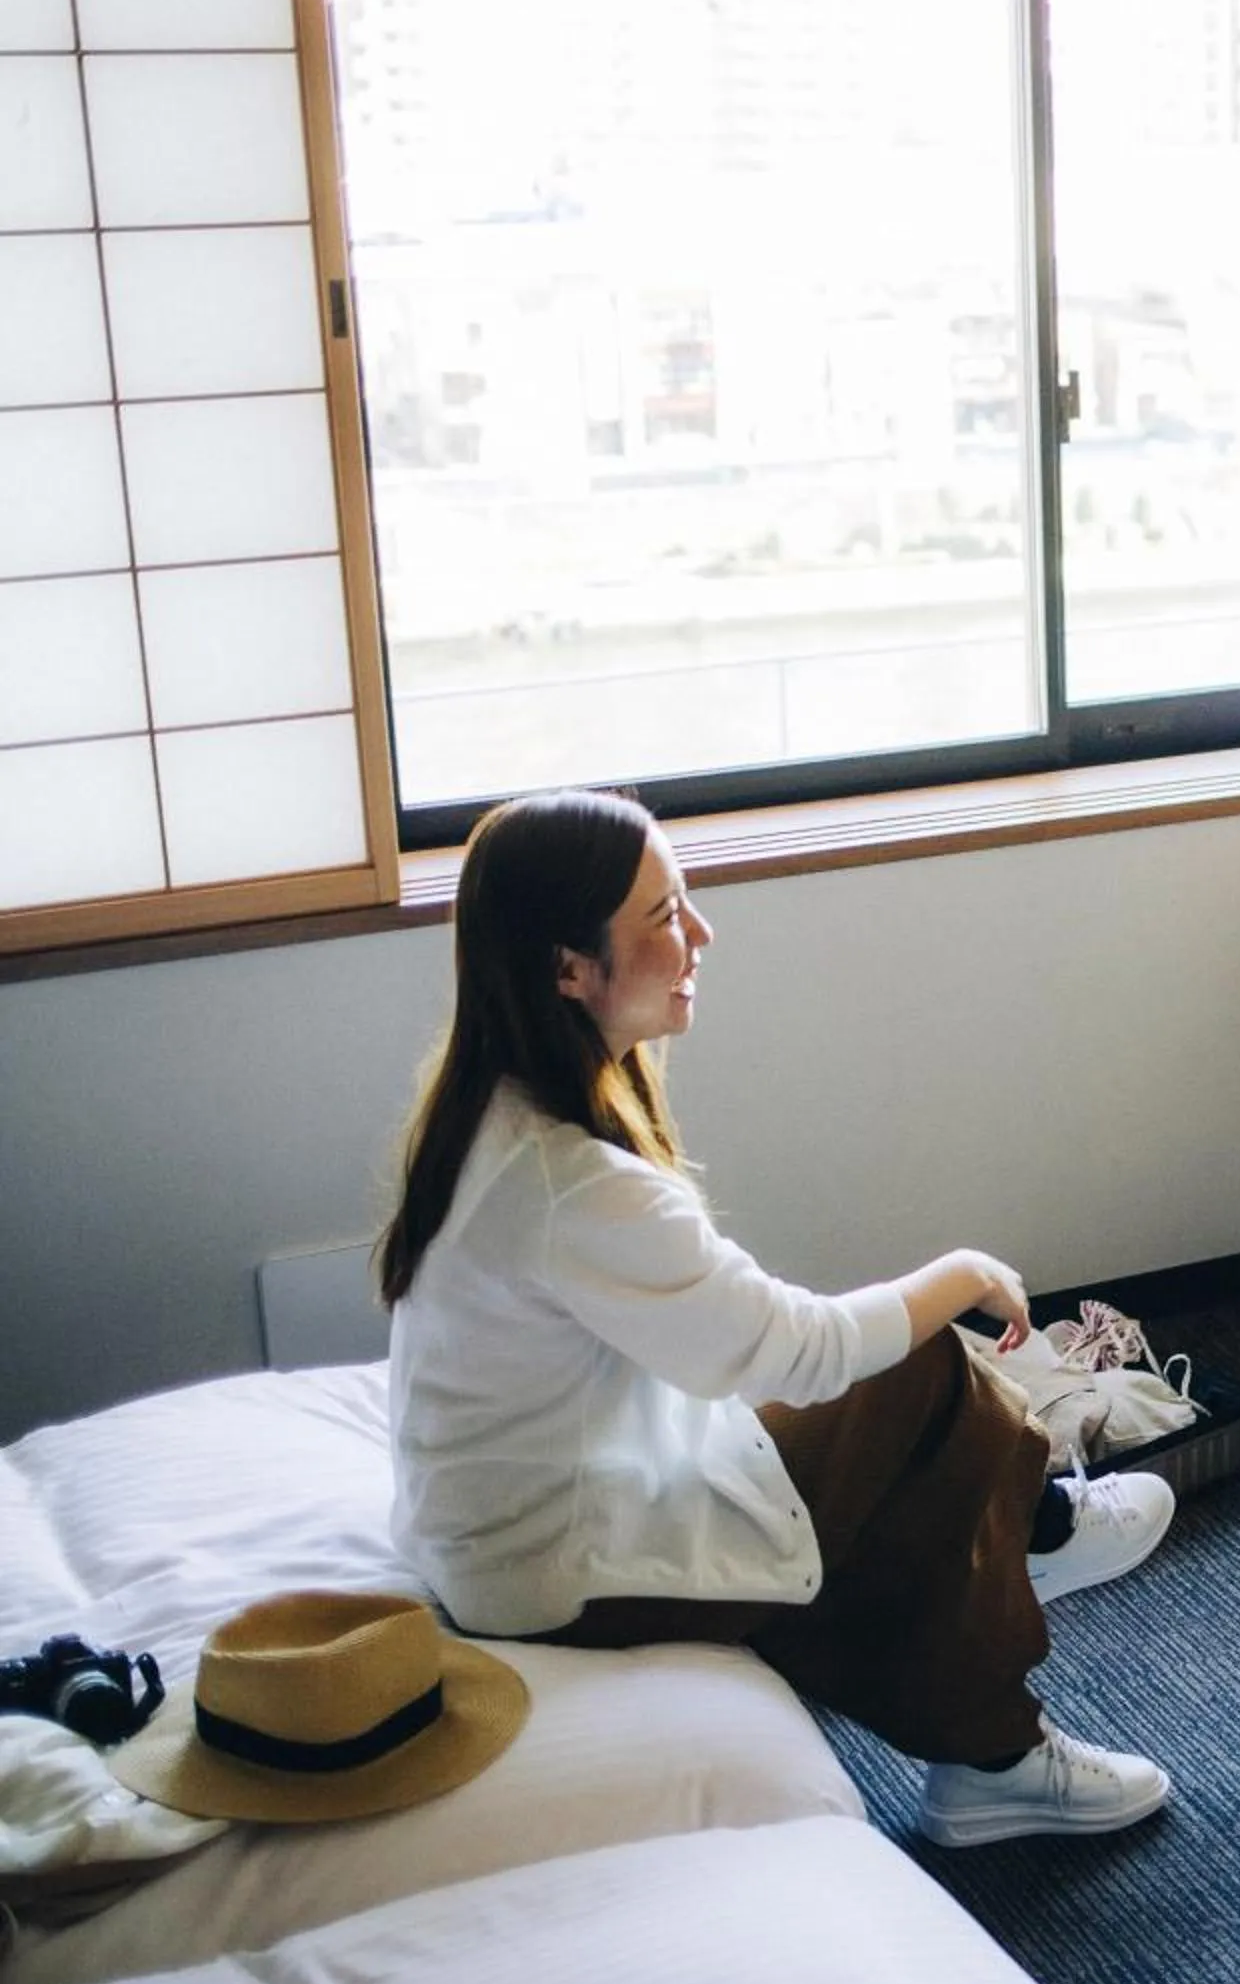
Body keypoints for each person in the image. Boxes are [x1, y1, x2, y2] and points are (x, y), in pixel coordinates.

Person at [377, 788, 1172, 1848]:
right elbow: (798, 1353)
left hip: (504, 1532)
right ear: (570, 970)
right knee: (918, 1367)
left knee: (912, 1415)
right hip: (553, 1572)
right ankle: (1008, 1678)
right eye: (665, 916)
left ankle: (1022, 1557)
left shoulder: (491, 1110)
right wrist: (965, 1271)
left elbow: (735, 1343)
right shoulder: (573, 1183)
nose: (700, 935)